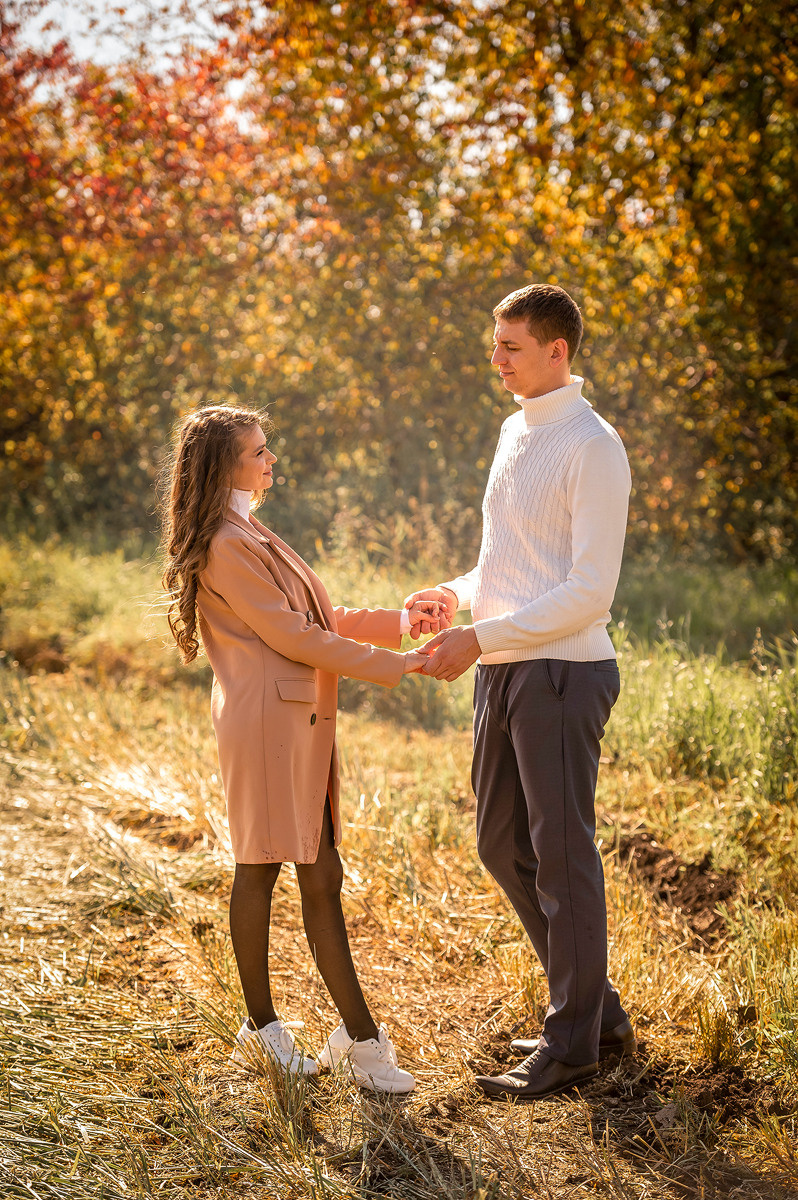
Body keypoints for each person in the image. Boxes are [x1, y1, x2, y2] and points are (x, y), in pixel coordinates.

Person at [162, 404, 439, 1094]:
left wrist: (400, 623)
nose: (270, 460)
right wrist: (395, 664)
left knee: (319, 873)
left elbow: (315, 616)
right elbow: (294, 638)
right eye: (258, 452)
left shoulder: (248, 529)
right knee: (264, 869)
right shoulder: (228, 541)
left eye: (267, 449)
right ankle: (283, 1029)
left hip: (294, 724)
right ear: (225, 464)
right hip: (266, 727)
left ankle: (352, 1038)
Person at [405, 283, 636, 1101]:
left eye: (509, 346)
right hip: (504, 668)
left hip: (564, 674)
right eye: (494, 344)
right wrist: (453, 595)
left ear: (556, 352)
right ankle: (595, 1011)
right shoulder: (514, 430)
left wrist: (478, 638)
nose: (495, 359)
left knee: (564, 859)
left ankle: (572, 1042)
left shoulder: (593, 445)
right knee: (502, 844)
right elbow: (507, 563)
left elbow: (588, 592)